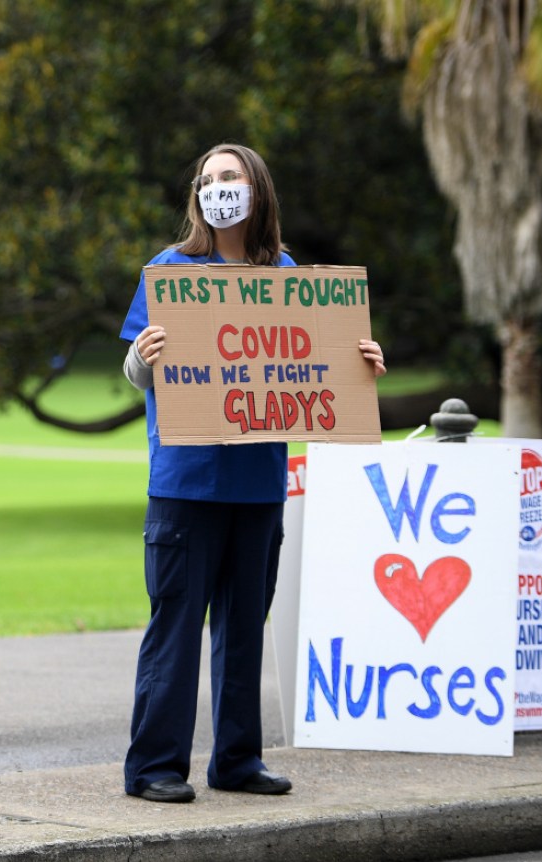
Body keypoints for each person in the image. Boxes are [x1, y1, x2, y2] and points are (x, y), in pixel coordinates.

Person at [118, 143, 386, 804]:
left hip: (260, 483)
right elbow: (133, 371)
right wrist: (143, 357)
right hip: (184, 483)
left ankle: (237, 760)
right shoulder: (170, 270)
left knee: (243, 628)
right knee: (175, 627)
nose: (216, 188)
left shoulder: (287, 274)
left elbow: (312, 368)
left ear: (255, 189)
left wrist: (359, 365)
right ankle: (154, 766)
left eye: (228, 176)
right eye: (206, 180)